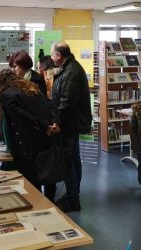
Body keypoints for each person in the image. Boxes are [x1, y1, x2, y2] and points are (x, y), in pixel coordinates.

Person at [0, 69, 60, 202]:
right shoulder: (31, 88)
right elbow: (48, 107)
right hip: (43, 136)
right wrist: (50, 124)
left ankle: (35, 204)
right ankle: (48, 202)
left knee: (30, 177)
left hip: (27, 140)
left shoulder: (6, 95)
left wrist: (43, 126)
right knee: (43, 171)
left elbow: (22, 117)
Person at [50, 42, 92, 212]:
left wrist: (56, 122)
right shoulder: (68, 68)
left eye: (52, 54)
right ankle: (72, 195)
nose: (51, 57)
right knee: (73, 159)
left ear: (59, 56)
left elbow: (67, 103)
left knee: (69, 161)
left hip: (69, 124)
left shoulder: (72, 72)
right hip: (70, 123)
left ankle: (73, 199)